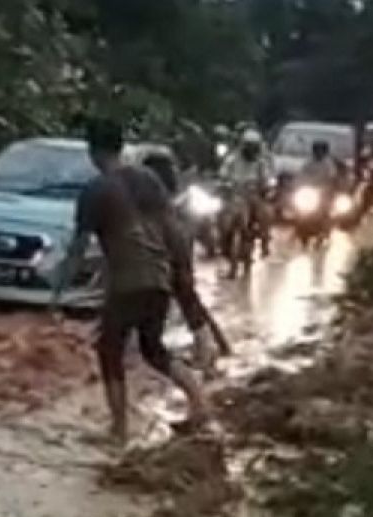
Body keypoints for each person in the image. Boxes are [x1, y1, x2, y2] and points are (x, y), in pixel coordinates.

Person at [52, 120, 210, 444]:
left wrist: (58, 289)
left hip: (127, 283)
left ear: (93, 152)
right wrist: (182, 274)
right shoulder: (149, 180)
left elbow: (78, 248)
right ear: (122, 147)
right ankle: (199, 403)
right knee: (153, 349)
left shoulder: (96, 191)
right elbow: (173, 230)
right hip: (160, 281)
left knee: (109, 351)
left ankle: (119, 429)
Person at [141, 151, 220, 377]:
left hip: (171, 260)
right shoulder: (175, 199)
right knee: (189, 305)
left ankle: (205, 354)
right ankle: (207, 352)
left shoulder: (165, 202)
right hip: (177, 259)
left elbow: (185, 234)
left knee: (186, 305)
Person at [219, 128, 276, 259]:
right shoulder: (232, 159)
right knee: (221, 215)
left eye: (253, 147)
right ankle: (222, 242)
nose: (250, 150)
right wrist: (224, 183)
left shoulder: (261, 162)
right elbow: (223, 172)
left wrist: (266, 186)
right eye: (248, 146)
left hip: (253, 196)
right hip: (235, 196)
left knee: (266, 214)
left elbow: (267, 177)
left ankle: (264, 243)